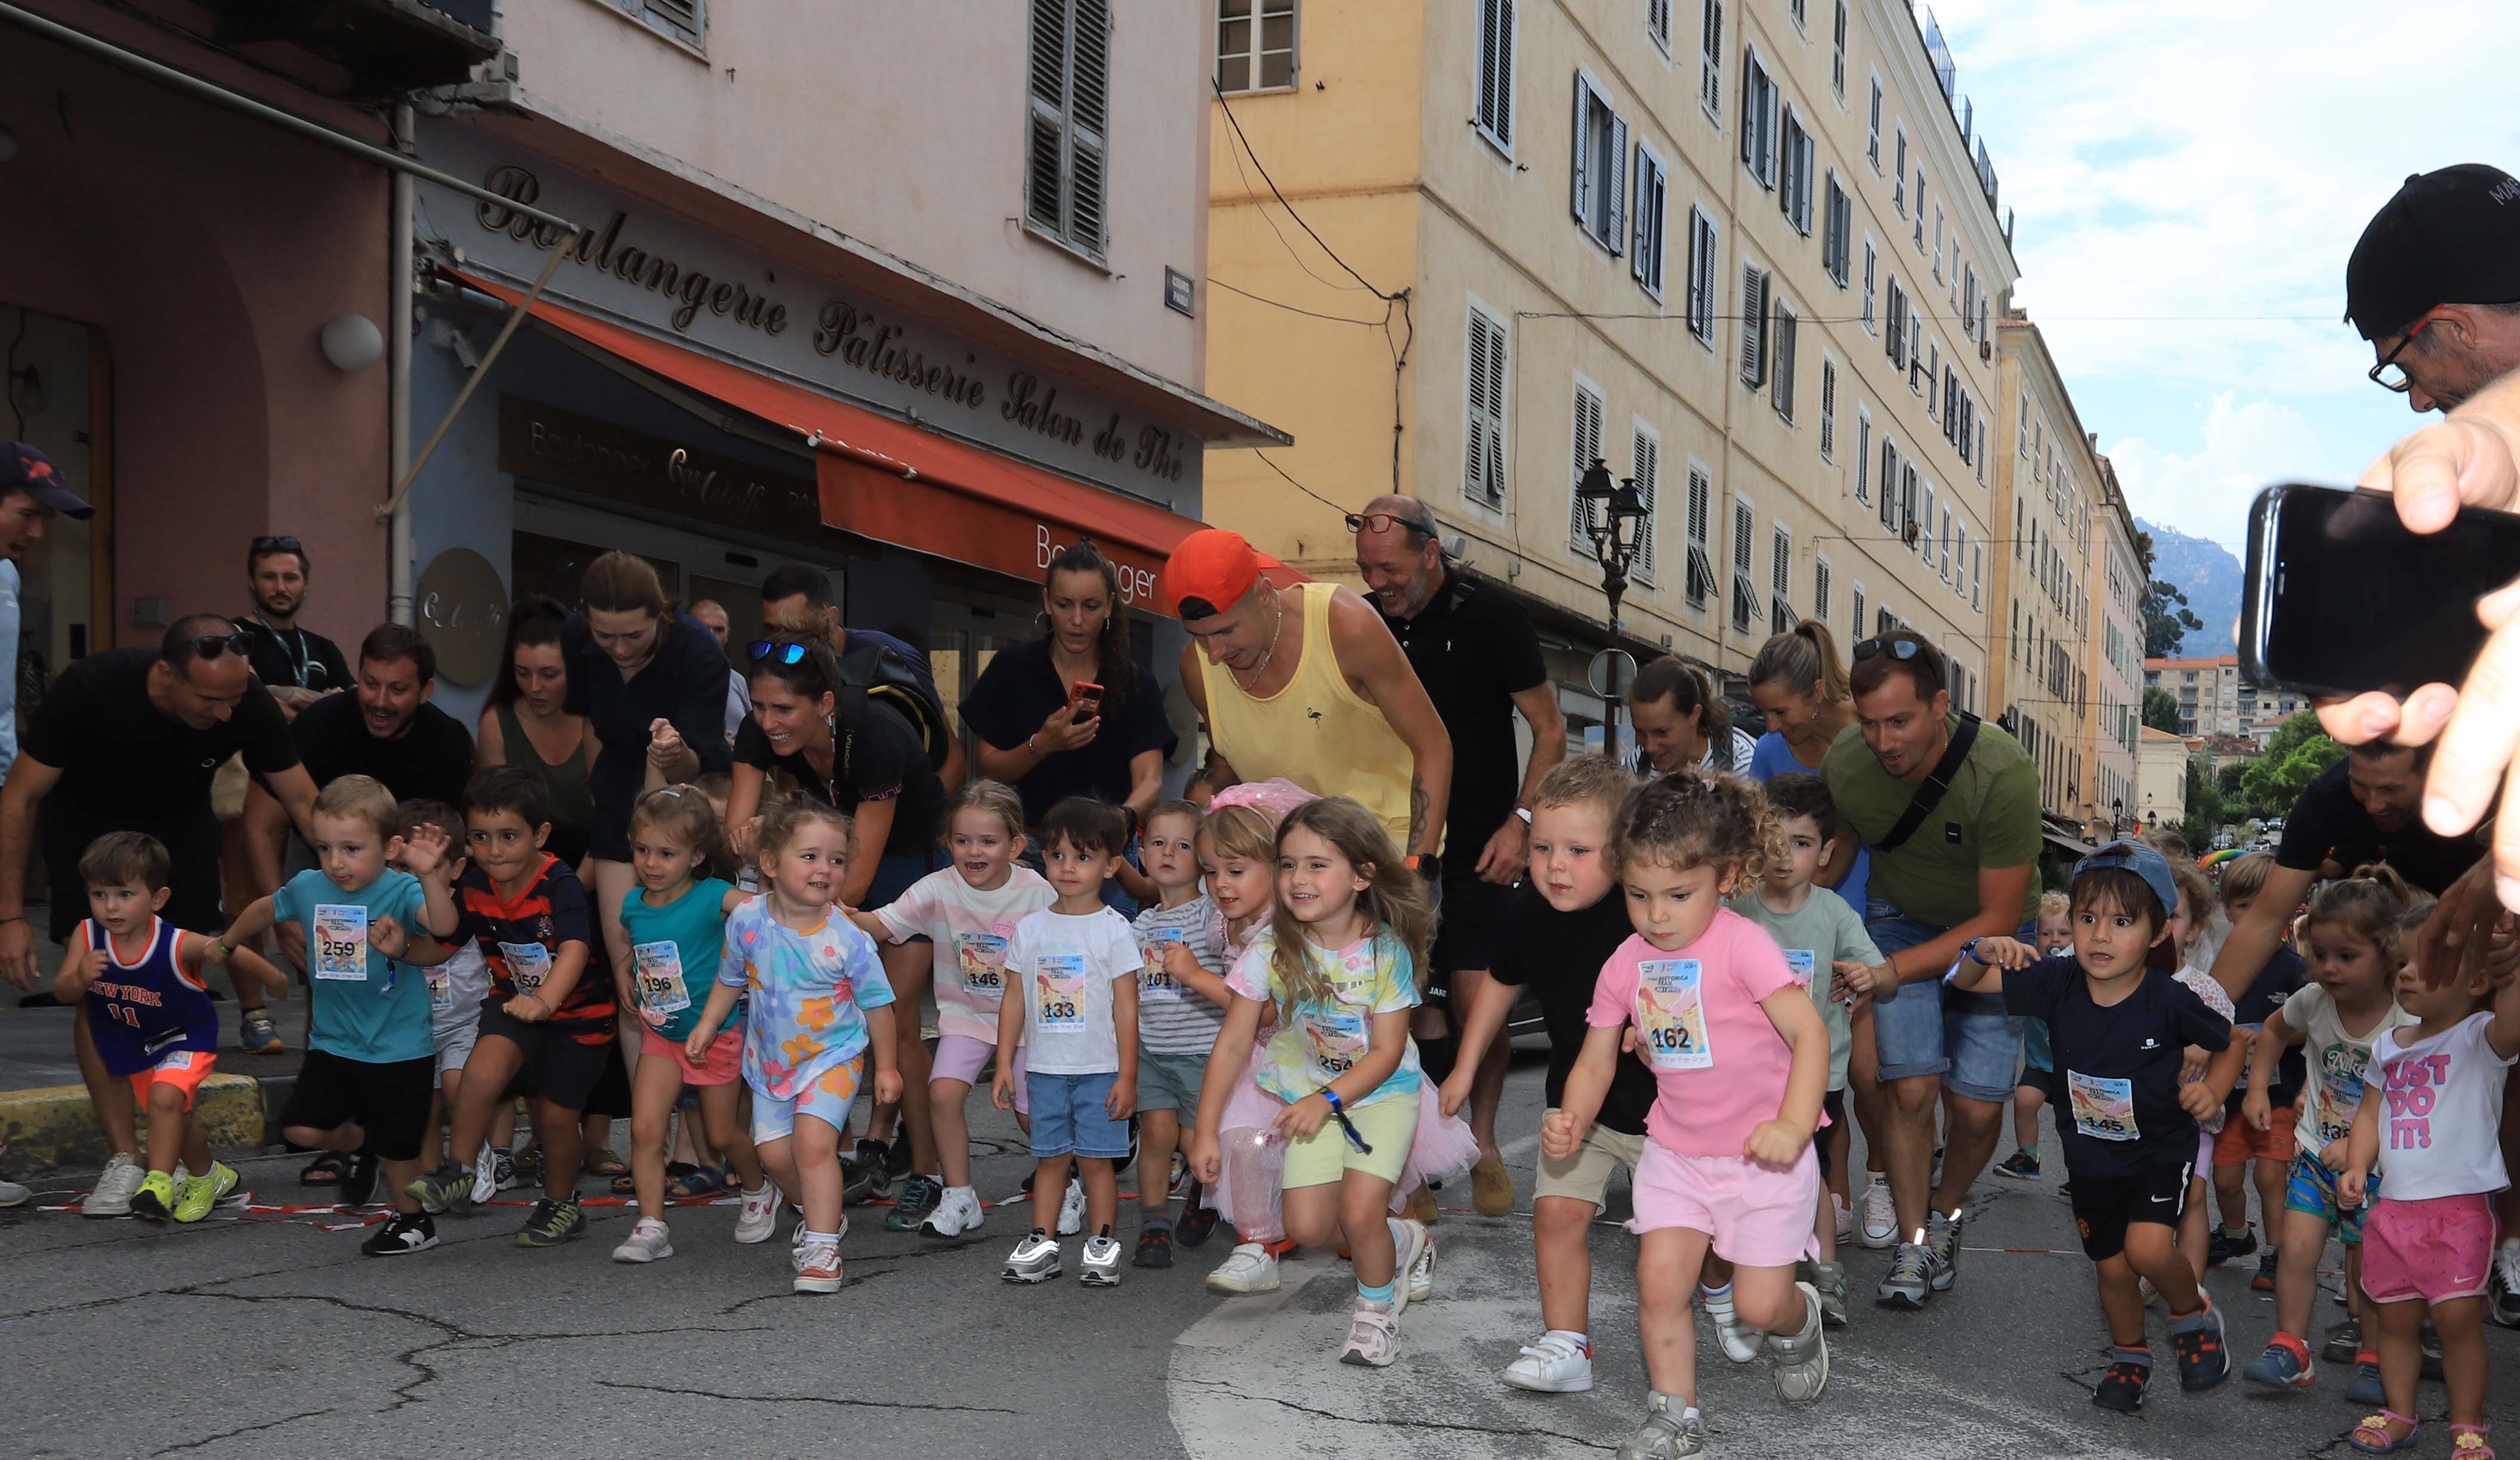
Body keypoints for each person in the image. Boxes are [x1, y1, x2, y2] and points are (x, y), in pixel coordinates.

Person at [1546, 772, 1833, 1455]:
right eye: (1639, 895)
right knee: (1659, 1283)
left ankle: (1799, 1325)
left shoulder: (1744, 947)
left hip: (1764, 1158)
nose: (1658, 915)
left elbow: (1810, 1035)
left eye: (1680, 895)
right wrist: (1573, 1116)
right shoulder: (1625, 962)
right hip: (1675, 1155)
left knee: (1761, 1305)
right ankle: (1675, 1415)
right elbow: (1595, 1058)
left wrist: (1793, 1126)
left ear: (1728, 875)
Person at [1948, 840, 2240, 1413]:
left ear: (2158, 933)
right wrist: (1980, 949)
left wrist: (2214, 1091)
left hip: (2160, 1149)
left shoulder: (2170, 999)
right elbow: (1965, 984)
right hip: (2090, 1160)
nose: (2100, 935)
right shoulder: (2057, 982)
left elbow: (2230, 1042)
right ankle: (2131, 1358)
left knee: (2149, 1248)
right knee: (2111, 1269)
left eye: (2122, 921)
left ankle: (2194, 1316)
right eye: (2088, 919)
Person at [1352, 495, 1567, 1219]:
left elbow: (1550, 728)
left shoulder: (1495, 617)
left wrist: (1523, 822)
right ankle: (1417, 1159)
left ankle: (1481, 1142)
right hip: (1391, 849)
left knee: (1482, 1009)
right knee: (1405, 1012)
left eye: (1389, 568)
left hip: (1483, 848)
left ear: (1431, 553)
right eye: (1366, 569)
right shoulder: (1359, 621)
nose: (1378, 581)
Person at [1820, 629, 2042, 1308]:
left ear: (1940, 705)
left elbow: (1997, 918)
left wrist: (1891, 972)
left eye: (1901, 721)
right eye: (1870, 723)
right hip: (1899, 917)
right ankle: (1916, 1246)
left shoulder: (2003, 774)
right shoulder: (1847, 763)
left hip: (1997, 937)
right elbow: (1839, 850)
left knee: (1976, 1113)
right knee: (1909, 1093)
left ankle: (1944, 1216)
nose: (1884, 742)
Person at [0, 617, 321, 1068]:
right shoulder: (91, 687)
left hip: (180, 841)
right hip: (93, 844)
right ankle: (121, 1131)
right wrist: (10, 915)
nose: (226, 714)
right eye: (210, 700)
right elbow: (20, 796)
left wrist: (353, 881)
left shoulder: (244, 701)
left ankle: (170, 1105)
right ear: (167, 673)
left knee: (174, 985)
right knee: (100, 992)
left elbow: (304, 801)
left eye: (234, 699)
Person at [1188, 796, 1436, 1368]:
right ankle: (1407, 1241)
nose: (1298, 878)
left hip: (1380, 1097)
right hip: (1309, 1100)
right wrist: (1204, 1132)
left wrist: (1327, 1100)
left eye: (1317, 865)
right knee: (1307, 1225)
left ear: (1362, 875)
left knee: (1359, 1213)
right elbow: (1231, 1043)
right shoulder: (1271, 950)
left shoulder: (1385, 954)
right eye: (1289, 864)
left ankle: (1376, 1315)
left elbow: (1388, 1050)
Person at [725, 634, 949, 1227]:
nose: (769, 722)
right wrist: (754, 834)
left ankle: (927, 1174)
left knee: (896, 1018)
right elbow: (738, 834)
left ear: (825, 703)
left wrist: (798, 918)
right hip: (824, 851)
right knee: (810, 1006)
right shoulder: (760, 729)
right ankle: (844, 1154)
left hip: (900, 853)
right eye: (761, 708)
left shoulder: (874, 736)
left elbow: (854, 884)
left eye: (784, 711)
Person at [1439, 753, 1647, 1393]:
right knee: (1557, 1213)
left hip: (1664, 1111)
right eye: (1543, 848)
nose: (1557, 865)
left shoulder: (1645, 916)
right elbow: (1497, 991)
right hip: (1576, 1100)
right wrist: (1464, 1069)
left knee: (1696, 1247)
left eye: (1579, 851)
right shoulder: (1525, 912)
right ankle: (1567, 1345)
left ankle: (1727, 1294)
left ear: (1623, 852)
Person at [206, 776, 454, 1256]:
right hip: (334, 1042)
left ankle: (415, 1221)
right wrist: (226, 941)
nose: (336, 862)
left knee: (400, 1150)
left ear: (391, 847)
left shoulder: (402, 890)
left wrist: (428, 875)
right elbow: (264, 908)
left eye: (352, 848)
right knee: (300, 1130)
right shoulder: (308, 886)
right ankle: (361, 1143)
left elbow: (444, 927)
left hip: (399, 1045)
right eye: (324, 847)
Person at [683, 798, 901, 1294]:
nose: (825, 868)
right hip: (770, 1063)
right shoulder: (747, 921)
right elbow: (729, 979)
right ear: (769, 864)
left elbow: (879, 1004)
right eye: (809, 856)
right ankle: (822, 1210)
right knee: (775, 1157)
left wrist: (886, 1067)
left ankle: (822, 1248)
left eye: (837, 859)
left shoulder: (848, 938)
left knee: (814, 1146)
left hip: (834, 1057)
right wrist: (708, 1024)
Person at [399, 768, 610, 1248]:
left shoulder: (559, 883)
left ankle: (560, 1205)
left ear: (540, 835)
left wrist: (546, 1001)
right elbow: (446, 940)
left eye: (509, 836)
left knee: (555, 1121)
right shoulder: (474, 884)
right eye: (481, 837)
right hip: (513, 1003)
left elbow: (575, 947)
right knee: (480, 1073)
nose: (494, 851)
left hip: (579, 1016)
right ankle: (460, 1171)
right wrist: (403, 949)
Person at [2337, 898, 2518, 1458]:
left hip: (2458, 1209)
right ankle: (2400, 1413)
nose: (2407, 974)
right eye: (2404, 963)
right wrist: (2359, 1164)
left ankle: (2467, 1424)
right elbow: (2371, 1114)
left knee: (2458, 1317)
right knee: (2394, 1319)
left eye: (2426, 964)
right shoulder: (2389, 1046)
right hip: (2393, 1209)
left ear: (2480, 978)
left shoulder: (2483, 1038)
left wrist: (2511, 952)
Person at [1164, 528, 1453, 871]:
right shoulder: (1196, 669)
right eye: (1199, 637)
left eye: (1226, 631)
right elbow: (1230, 774)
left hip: (1380, 864)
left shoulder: (1344, 625)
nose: (1214, 653)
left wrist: (1417, 871)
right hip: (1285, 875)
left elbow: (1433, 746)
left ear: (1266, 595)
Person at [2240, 873, 2419, 1399]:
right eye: (2320, 954)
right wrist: (2256, 1088)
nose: (2329, 968)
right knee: (2296, 1252)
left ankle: (2374, 1354)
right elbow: (2273, 1029)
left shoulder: (2406, 1019)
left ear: (2386, 954)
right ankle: (2291, 1347)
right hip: (2316, 1154)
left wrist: (2367, 1148)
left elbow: (2416, 1101)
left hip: (2384, 1170)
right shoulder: (2314, 1001)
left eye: (2346, 955)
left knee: (2371, 1270)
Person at [853, 778, 1054, 1240]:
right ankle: (960, 1195)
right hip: (966, 1018)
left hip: (1026, 1023)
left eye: (988, 841)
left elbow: (1067, 947)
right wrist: (825, 912)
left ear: (1015, 845)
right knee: (942, 1094)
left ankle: (1065, 1180)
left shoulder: (1037, 892)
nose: (974, 851)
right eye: (962, 841)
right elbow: (881, 924)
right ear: (948, 844)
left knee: (1031, 1113)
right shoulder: (937, 889)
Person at [1723, 772, 1888, 1332]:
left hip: (1820, 1073)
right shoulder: (1738, 909)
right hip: (1747, 1071)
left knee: (1806, 1170)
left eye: (1801, 843)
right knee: (1750, 1168)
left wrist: (1869, 976)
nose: (1785, 856)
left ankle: (1827, 1273)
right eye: (1773, 841)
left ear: (1827, 852)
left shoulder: (1835, 914)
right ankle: (1762, 1271)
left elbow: (1885, 977)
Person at [57, 831, 279, 1221]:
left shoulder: (175, 942)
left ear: (157, 899)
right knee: (173, 1113)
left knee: (164, 1099)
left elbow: (222, 949)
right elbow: (61, 992)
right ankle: (207, 1176)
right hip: (137, 1044)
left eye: (125, 895)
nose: (110, 907)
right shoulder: (87, 936)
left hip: (184, 1037)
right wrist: (80, 977)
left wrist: (273, 977)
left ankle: (156, 1183)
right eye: (99, 895)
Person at [242, 624, 474, 982]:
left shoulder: (450, 743)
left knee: (404, 988)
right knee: (329, 987)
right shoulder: (318, 725)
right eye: (370, 683)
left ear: (425, 691)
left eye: (397, 689)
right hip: (327, 866)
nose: (380, 702)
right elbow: (262, 824)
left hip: (409, 879)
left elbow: (450, 848)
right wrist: (284, 919)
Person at [608, 784, 776, 1264]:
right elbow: (640, 945)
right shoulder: (635, 904)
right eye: (641, 850)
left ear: (698, 855)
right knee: (644, 1130)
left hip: (715, 1035)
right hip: (661, 1034)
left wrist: (763, 866)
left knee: (723, 1136)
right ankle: (652, 1224)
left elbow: (764, 914)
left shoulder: (712, 895)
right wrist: (625, 969)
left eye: (666, 852)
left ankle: (757, 1188)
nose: (650, 863)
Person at [959, 539, 1174, 899]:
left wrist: (1120, 821)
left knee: (1106, 951)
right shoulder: (1013, 669)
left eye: (1090, 606)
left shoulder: (1136, 682)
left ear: (1109, 606)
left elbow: (1150, 781)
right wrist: (1041, 745)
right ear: (1047, 603)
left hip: (1105, 853)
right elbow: (988, 768)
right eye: (1064, 605)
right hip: (1026, 850)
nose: (1077, 620)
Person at [993, 797, 1140, 1289]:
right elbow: (1014, 998)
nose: (1069, 867)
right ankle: (1043, 1240)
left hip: (1099, 1069)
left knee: (1098, 1162)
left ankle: (1102, 1245)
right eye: (1057, 856)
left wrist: (1126, 1075)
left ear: (1111, 865)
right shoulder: (1031, 929)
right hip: (1045, 1068)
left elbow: (1126, 1008)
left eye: (1083, 857)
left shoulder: (1115, 930)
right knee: (1050, 1159)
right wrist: (1004, 1063)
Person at [1127, 797, 1233, 1266]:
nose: (1168, 852)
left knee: (1195, 1143)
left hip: (1201, 1052)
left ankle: (1208, 1196)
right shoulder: (1141, 924)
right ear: (1143, 854)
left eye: (1184, 845)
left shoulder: (1213, 915)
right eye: (1158, 843)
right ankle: (1154, 1223)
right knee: (1155, 1134)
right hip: (1153, 1050)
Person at [391, 799, 512, 1200]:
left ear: (457, 869)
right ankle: (437, 1178)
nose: (414, 879)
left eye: (427, 867)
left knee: (459, 1085)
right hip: (413, 1027)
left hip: (466, 1023)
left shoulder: (468, 909)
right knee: (421, 1107)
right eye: (404, 868)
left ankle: (474, 1156)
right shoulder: (392, 912)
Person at [757, 561, 966, 793]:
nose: (782, 642)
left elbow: (953, 761)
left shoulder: (888, 658)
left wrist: (922, 821)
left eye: (796, 629)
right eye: (773, 630)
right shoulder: (775, 667)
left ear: (830, 617)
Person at [2207, 852, 2309, 1292]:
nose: (2252, 917)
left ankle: (2276, 1252)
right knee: (2226, 1178)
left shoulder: (2295, 968)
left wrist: (2272, 1036)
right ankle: (2235, 1234)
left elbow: (2311, 1028)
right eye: (2242, 906)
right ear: (2228, 909)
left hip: (2279, 1092)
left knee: (2270, 1175)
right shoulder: (2220, 961)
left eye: (2263, 906)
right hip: (2230, 1095)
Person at [474, 596, 595, 870]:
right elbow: (493, 824)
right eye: (523, 673)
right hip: (520, 871)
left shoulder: (594, 722)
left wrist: (572, 888)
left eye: (549, 675)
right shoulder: (497, 723)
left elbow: (610, 824)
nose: (535, 687)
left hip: (593, 865)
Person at [1995, 892, 2074, 1181]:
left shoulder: (2074, 972)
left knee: (2073, 1123)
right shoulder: (2030, 971)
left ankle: (2081, 1174)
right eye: (2046, 933)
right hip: (2041, 1064)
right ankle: (2028, 1157)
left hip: (2073, 1067)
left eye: (2065, 933)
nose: (2055, 940)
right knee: (2025, 1101)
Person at [237, 534, 351, 699]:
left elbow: (354, 703)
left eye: (290, 578)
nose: (280, 588)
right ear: (252, 581)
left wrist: (283, 695)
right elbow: (250, 699)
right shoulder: (235, 636)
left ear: (306, 583)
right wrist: (323, 702)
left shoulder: (324, 648)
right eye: (269, 577)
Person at [1627, 657, 1759, 779]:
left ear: (1694, 714)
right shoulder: (1636, 765)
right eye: (1640, 732)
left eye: (1662, 732)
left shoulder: (1743, 768)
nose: (1650, 747)